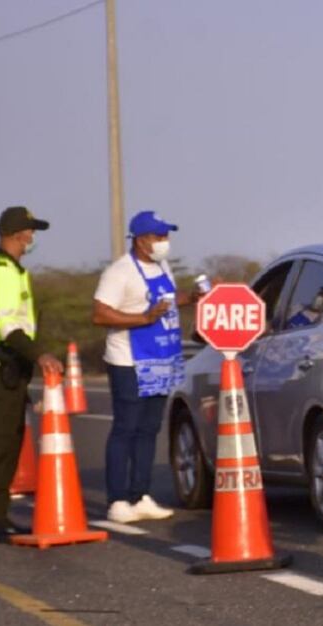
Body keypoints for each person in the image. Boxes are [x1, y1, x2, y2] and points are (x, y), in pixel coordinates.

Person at [92, 210, 197, 523]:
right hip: (129, 361)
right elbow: (100, 314)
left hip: (161, 360)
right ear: (141, 240)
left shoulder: (163, 266)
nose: (165, 242)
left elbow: (167, 300)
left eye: (166, 236)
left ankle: (141, 494)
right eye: (159, 236)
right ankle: (118, 500)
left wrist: (192, 297)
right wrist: (143, 319)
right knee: (126, 427)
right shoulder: (119, 272)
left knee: (149, 429)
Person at [0, 207, 64, 543]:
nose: (32, 238)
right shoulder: (0, 273)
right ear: (15, 233)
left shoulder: (14, 271)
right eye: (29, 231)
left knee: (9, 443)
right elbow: (8, 327)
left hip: (10, 367)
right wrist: (41, 354)